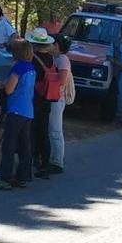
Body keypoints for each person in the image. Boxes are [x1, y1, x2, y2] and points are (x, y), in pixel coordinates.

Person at [0, 38, 35, 190]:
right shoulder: (31, 67)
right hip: (27, 110)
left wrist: (3, 85)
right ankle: (22, 176)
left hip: (15, 109)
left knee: (9, 145)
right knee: (24, 145)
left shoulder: (18, 67)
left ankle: (5, 178)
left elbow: (10, 89)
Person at [28, 28, 56, 179]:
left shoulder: (33, 59)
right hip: (47, 98)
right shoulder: (51, 59)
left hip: (35, 98)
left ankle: (31, 161)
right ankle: (45, 164)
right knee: (44, 132)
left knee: (32, 131)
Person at [47, 34, 72, 172]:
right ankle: (52, 157)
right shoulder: (56, 58)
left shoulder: (62, 59)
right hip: (52, 97)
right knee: (51, 129)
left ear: (56, 45)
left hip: (57, 98)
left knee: (55, 130)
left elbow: (62, 80)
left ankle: (57, 161)